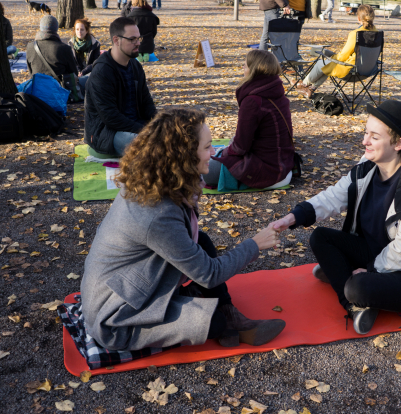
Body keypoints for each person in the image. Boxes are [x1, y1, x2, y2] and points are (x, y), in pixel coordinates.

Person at [81, 108, 286, 352]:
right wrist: (255, 244)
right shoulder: (157, 213)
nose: (214, 152)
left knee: (202, 242)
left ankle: (228, 313)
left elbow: (191, 237)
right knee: (213, 323)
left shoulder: (158, 181)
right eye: (207, 147)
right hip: (115, 318)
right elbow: (209, 273)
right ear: (184, 155)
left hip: (130, 283)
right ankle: (223, 316)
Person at [270, 100, 401, 334]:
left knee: (358, 287)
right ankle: (354, 304)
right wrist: (292, 218)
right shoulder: (367, 166)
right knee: (321, 237)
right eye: (365, 132)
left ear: (399, 143)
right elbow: (333, 197)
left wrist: (371, 269)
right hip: (377, 251)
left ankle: (348, 282)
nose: (364, 141)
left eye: (374, 137)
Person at [204, 50, 295, 191]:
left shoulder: (253, 100)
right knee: (217, 154)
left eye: (245, 66)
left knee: (206, 171)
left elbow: (240, 147)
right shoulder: (275, 89)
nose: (243, 68)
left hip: (269, 170)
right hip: (283, 162)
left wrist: (224, 153)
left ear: (254, 70)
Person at [84, 17, 157, 157]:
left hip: (134, 126)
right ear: (116, 40)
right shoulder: (102, 72)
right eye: (132, 39)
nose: (138, 43)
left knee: (172, 133)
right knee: (148, 145)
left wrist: (159, 123)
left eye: (139, 38)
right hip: (107, 133)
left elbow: (147, 103)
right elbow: (110, 117)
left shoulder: (135, 66)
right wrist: (145, 130)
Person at [296, 5, 377, 99]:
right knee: (327, 66)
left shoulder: (356, 34)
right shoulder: (377, 33)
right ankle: (311, 89)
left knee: (321, 63)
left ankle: (303, 84)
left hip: (351, 71)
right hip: (369, 70)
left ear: (358, 18)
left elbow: (342, 57)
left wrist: (332, 58)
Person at [26, 16, 78, 80]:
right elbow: (74, 73)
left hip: (37, 87)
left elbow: (31, 72)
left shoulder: (30, 47)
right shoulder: (65, 48)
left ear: (41, 27)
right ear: (56, 28)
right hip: (59, 88)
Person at [69, 18, 101, 94]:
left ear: (86, 31)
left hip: (90, 72)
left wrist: (83, 72)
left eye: (82, 29)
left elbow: (95, 62)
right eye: (77, 29)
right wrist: (78, 71)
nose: (79, 32)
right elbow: (71, 62)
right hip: (76, 72)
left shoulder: (95, 44)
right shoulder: (70, 44)